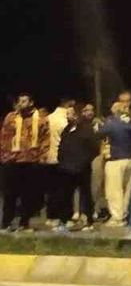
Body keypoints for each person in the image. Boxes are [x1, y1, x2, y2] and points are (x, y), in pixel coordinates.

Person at [1, 95, 49, 232]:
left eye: (24, 101)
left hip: (31, 161)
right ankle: (6, 223)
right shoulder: (11, 117)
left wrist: (42, 158)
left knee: (28, 194)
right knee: (10, 194)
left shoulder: (40, 118)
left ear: (31, 102)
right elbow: (4, 137)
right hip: (13, 160)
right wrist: (4, 156)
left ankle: (24, 223)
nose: (21, 103)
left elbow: (45, 139)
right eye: (19, 101)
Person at [58, 103, 100, 232]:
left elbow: (94, 148)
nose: (67, 116)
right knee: (66, 195)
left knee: (85, 195)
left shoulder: (86, 128)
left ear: (76, 115)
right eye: (67, 114)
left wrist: (84, 162)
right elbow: (62, 146)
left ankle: (88, 221)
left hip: (82, 168)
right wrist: (62, 160)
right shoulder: (67, 129)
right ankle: (66, 220)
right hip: (66, 168)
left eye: (69, 114)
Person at [100, 102, 131, 227]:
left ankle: (116, 218)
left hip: (115, 160)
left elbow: (100, 132)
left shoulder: (111, 123)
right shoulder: (130, 124)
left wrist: (100, 124)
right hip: (129, 159)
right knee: (126, 190)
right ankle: (123, 215)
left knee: (114, 191)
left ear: (115, 111)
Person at [42, 98, 75, 230]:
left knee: (51, 190)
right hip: (62, 158)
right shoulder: (65, 121)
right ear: (68, 105)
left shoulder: (48, 118)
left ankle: (51, 216)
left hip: (48, 158)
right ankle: (64, 218)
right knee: (64, 190)